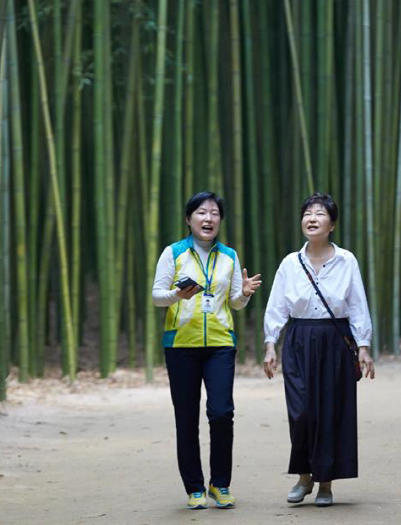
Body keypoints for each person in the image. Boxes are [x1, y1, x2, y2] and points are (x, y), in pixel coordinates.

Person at [263, 192, 374, 507]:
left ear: (333, 224)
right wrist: (270, 343)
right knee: (302, 412)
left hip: (333, 339)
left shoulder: (346, 260)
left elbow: (357, 305)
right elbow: (276, 306)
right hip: (298, 339)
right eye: (307, 213)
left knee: (330, 412)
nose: (312, 219)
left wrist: (363, 346)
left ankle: (325, 483)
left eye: (320, 214)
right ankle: (303, 476)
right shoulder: (290, 262)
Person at [152, 191, 261, 511]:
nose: (208, 218)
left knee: (222, 412)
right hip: (181, 345)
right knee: (186, 418)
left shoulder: (229, 256)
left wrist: (246, 294)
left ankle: (220, 483)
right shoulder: (173, 253)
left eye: (214, 213)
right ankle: (195, 488)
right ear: (189, 219)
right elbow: (157, 296)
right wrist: (177, 294)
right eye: (201, 212)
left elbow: (235, 304)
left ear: (220, 221)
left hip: (220, 344)